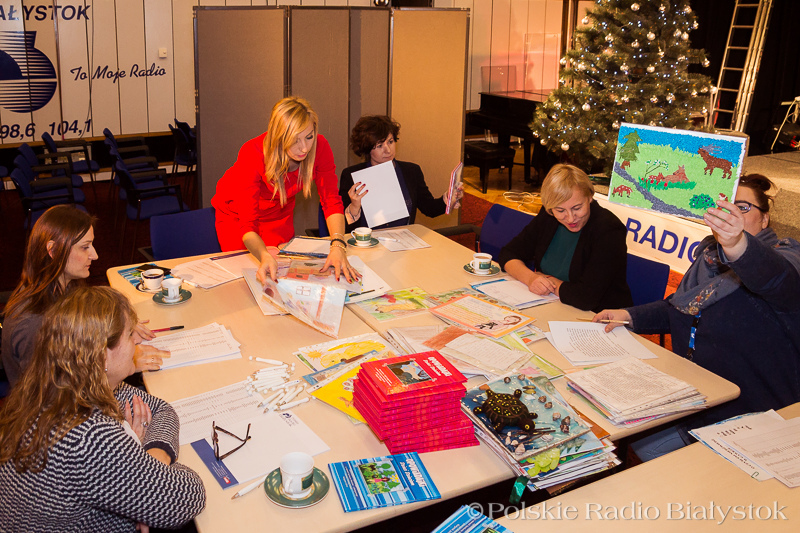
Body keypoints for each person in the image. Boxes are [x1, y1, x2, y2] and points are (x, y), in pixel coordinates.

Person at [595, 174, 800, 459]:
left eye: (742, 207)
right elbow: (679, 309)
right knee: (622, 432)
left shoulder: (787, 257)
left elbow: (776, 279)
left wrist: (737, 244)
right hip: (695, 397)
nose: (731, 213)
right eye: (724, 206)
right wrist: (628, 316)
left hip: (754, 414)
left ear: (764, 219)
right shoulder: (708, 257)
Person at [0, 287, 206, 531]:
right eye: (130, 334)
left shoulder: (60, 385)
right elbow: (190, 496)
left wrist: (152, 456)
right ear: (102, 354)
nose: (138, 340)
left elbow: (161, 410)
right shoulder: (88, 438)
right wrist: (140, 469)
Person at [1, 205, 168, 387]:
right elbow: (54, 393)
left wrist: (119, 327)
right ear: (53, 250)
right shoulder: (34, 324)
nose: (95, 255)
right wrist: (125, 364)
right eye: (85, 247)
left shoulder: (65, 286)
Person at [212, 96, 357, 283]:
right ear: (279, 137)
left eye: (309, 136)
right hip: (238, 217)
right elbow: (248, 225)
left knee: (284, 275)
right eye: (295, 140)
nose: (304, 148)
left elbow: (331, 201)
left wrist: (338, 245)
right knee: (245, 279)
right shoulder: (253, 153)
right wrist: (263, 255)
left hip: (279, 210)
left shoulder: (320, 147)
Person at [498, 164, 632, 312]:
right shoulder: (549, 216)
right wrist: (531, 278)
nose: (570, 218)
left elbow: (586, 298)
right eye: (560, 210)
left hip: (600, 316)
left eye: (577, 208)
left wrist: (549, 282)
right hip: (554, 305)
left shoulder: (609, 230)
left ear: (590, 197)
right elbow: (508, 253)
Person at [339, 115, 463, 233]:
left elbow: (429, 209)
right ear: (367, 149)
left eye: (390, 142)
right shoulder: (352, 175)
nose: (388, 150)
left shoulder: (411, 171)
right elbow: (343, 226)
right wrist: (354, 207)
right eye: (380, 146)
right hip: (366, 242)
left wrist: (447, 199)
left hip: (403, 240)